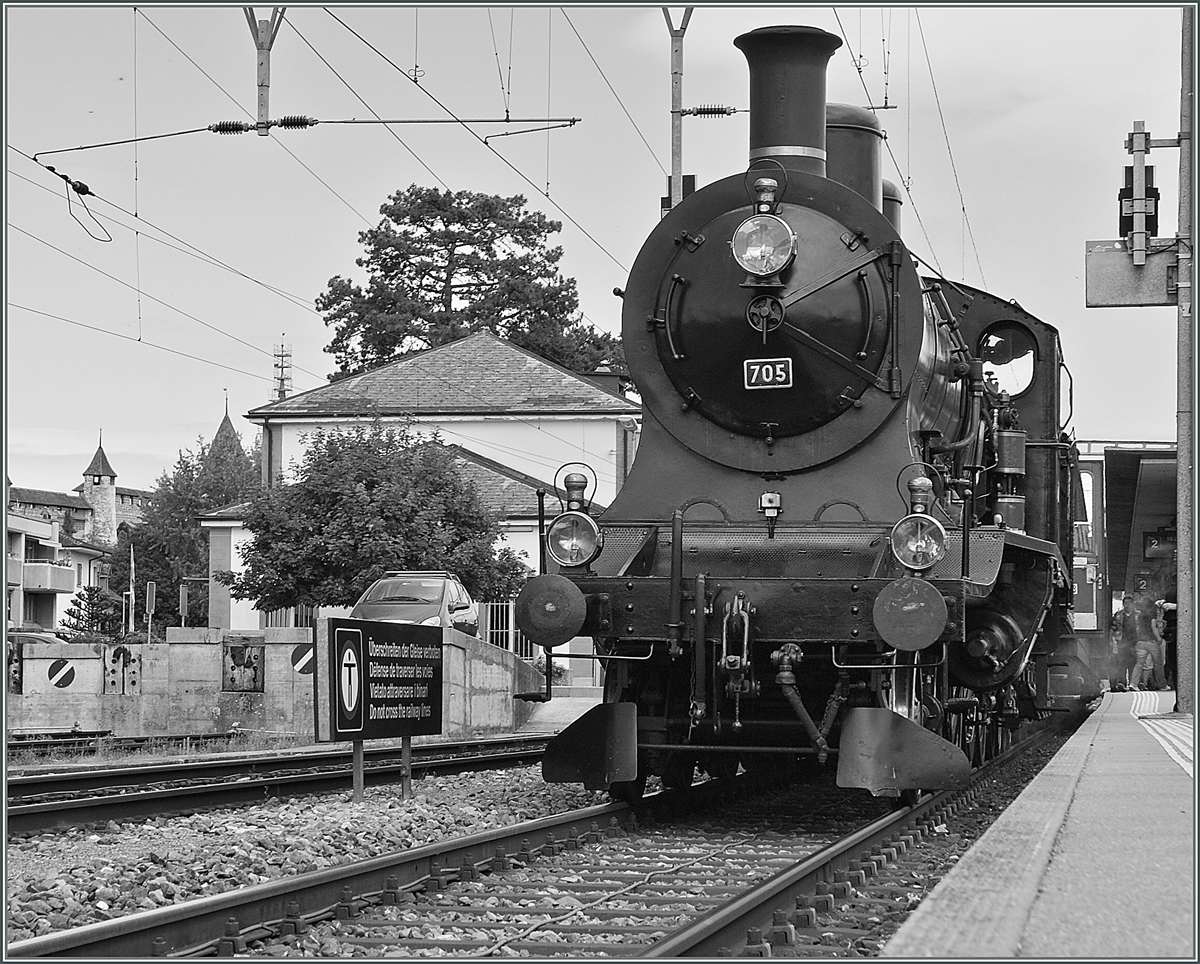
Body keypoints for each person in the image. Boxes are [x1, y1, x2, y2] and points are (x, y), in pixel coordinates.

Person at [1128, 595, 1162, 691]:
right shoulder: (1152, 614)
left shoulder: (1140, 615)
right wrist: (1158, 638)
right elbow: (1153, 627)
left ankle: (1133, 683)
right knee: (1158, 663)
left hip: (1140, 642)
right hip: (1151, 641)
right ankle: (1162, 684)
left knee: (1139, 664)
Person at [1108, 595, 1139, 691]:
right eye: (1125, 603)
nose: (1127, 606)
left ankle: (1132, 683)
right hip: (1122, 642)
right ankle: (1122, 683)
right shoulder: (1118, 615)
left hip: (1135, 642)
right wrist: (1110, 640)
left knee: (1133, 663)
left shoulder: (1138, 615)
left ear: (1133, 604)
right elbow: (1112, 628)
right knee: (1122, 662)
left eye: (1129, 603)